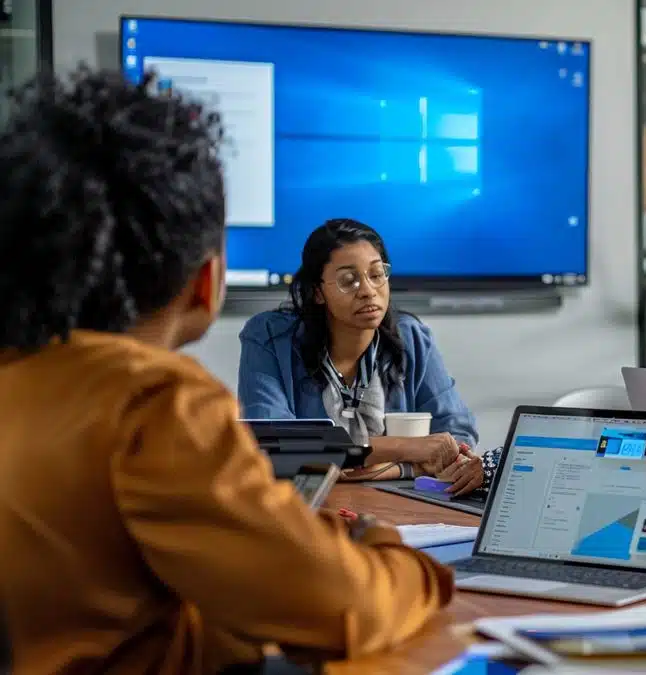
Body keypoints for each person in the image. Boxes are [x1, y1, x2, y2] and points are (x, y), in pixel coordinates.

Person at [0, 67, 454, 674]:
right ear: (206, 279)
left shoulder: (22, 374)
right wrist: (397, 557)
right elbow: (344, 609)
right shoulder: (154, 401)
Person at [238, 219, 485, 495]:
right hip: (303, 506)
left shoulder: (411, 336)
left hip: (402, 505)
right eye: (348, 280)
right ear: (318, 292)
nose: (368, 290)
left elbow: (457, 435)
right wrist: (405, 448)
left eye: (377, 275)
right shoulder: (269, 337)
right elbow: (274, 444)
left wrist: (397, 468)